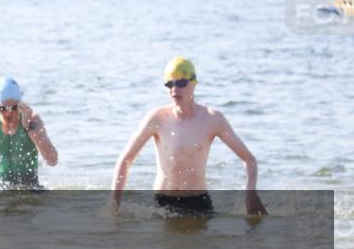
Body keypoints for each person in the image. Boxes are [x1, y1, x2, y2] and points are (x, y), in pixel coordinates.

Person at [109, 57, 267, 217]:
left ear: (194, 83)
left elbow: (249, 159)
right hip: (162, 203)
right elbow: (125, 160)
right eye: (169, 84)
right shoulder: (157, 118)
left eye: (181, 83)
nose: (174, 90)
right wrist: (114, 204)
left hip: (198, 202)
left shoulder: (212, 119)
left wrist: (251, 193)